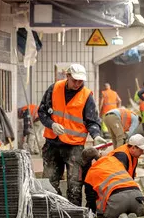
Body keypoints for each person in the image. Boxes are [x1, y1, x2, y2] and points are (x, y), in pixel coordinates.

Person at [37, 63, 107, 206]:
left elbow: (92, 121)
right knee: (49, 184)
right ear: (67, 76)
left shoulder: (86, 96)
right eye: (74, 80)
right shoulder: (54, 89)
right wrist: (52, 124)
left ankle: (74, 214)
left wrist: (96, 135)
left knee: (75, 186)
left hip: (74, 147)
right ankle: (54, 212)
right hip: (52, 144)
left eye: (80, 81)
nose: (77, 84)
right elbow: (42, 111)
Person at [82, 148, 144, 218]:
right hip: (138, 197)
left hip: (117, 200)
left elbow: (91, 202)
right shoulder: (114, 160)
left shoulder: (90, 174)